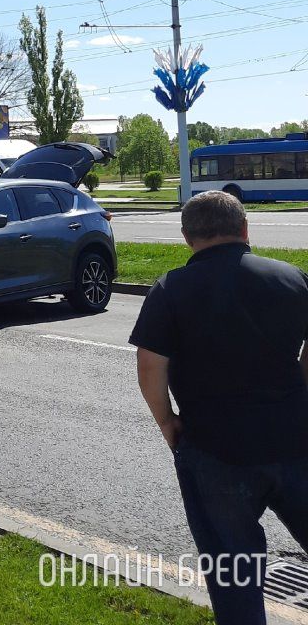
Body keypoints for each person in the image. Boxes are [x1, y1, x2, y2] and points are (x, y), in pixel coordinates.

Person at [130, 190, 308, 625]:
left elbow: (150, 364)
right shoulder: (292, 277)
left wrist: (167, 421)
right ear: (245, 229)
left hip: (214, 449)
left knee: (235, 578)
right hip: (296, 441)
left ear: (188, 237)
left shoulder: (170, 289)